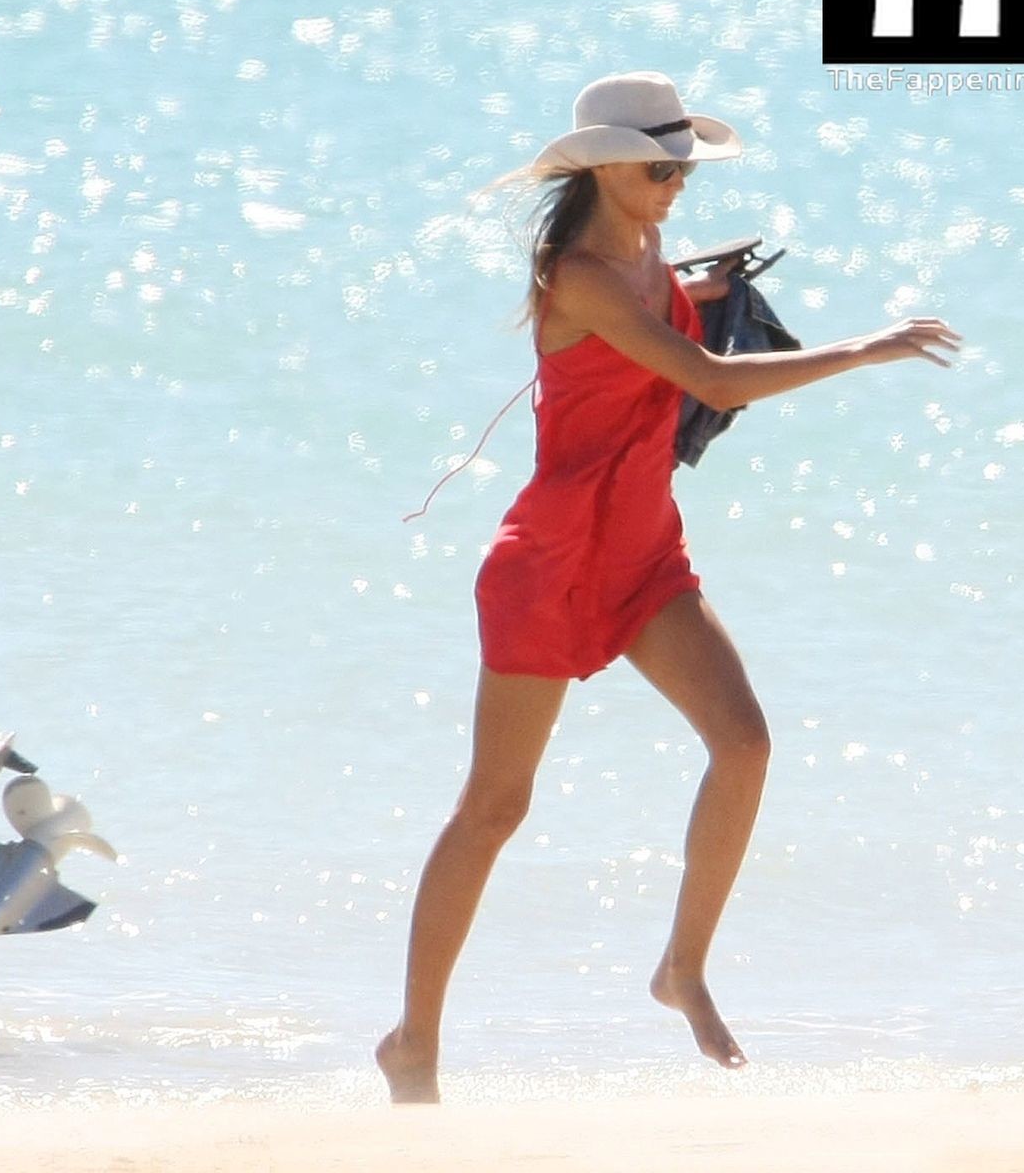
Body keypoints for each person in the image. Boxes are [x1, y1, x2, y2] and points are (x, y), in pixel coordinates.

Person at [374, 71, 962, 1103]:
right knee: (495, 806)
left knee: (745, 743)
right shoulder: (578, 273)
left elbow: (667, 347)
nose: (676, 181)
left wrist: (708, 297)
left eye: (682, 165)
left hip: (644, 551)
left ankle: (680, 969)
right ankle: (412, 1041)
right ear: (604, 166)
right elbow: (713, 382)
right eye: (659, 167)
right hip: (554, 562)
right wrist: (866, 349)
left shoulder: (648, 253)